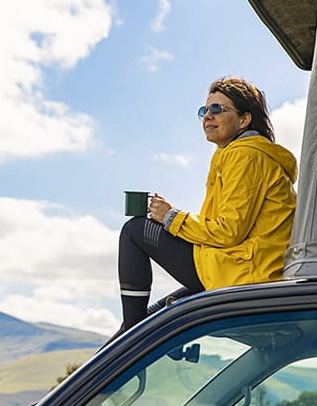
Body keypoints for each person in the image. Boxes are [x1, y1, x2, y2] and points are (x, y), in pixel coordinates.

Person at [117, 77, 298, 332]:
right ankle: (130, 337)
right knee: (154, 317)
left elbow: (227, 230)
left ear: (244, 120)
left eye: (217, 110)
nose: (207, 117)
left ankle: (130, 343)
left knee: (135, 231)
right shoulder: (235, 154)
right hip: (237, 265)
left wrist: (171, 217)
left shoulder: (246, 155)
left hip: (244, 273)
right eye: (204, 111)